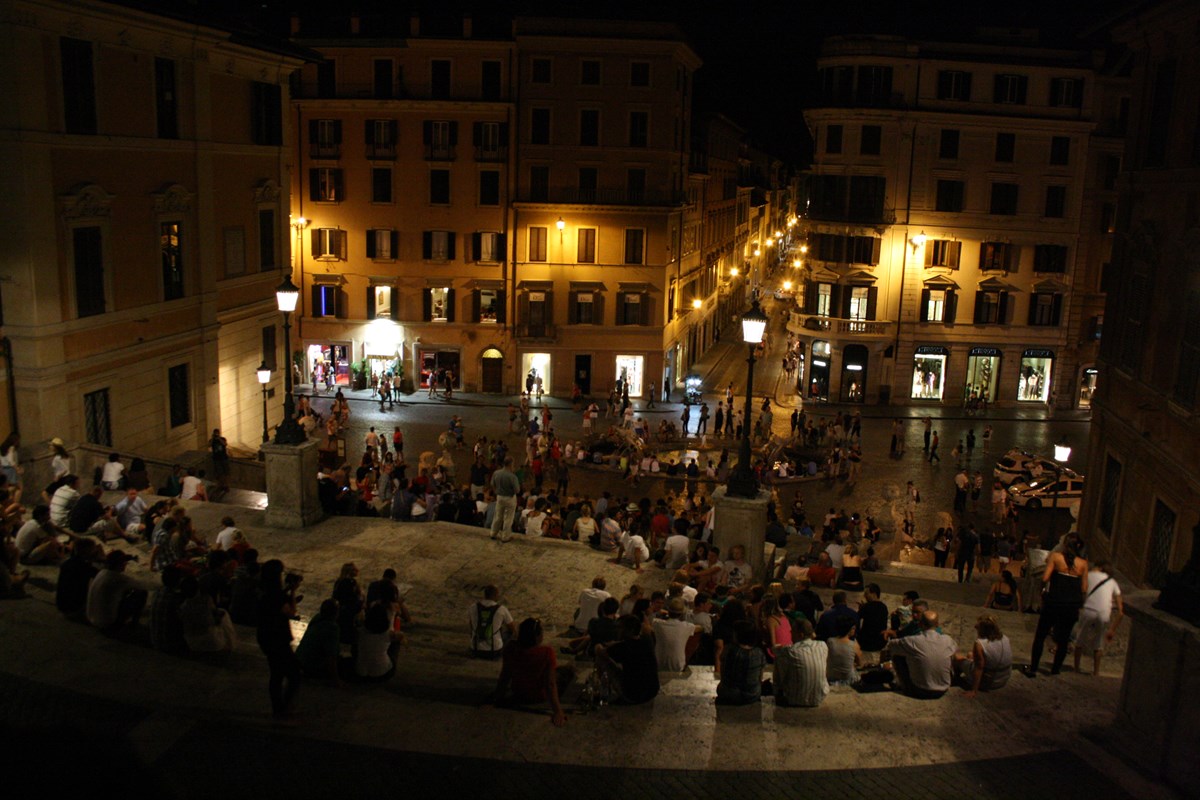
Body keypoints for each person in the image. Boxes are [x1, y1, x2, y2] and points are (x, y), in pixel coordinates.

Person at [490, 617, 574, 727]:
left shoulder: (510, 649)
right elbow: (550, 684)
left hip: (518, 693)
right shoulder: (546, 653)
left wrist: (496, 697)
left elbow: (505, 676)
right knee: (567, 672)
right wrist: (558, 711)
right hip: (538, 696)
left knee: (558, 672)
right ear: (537, 636)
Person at [1025, 533, 1088, 678]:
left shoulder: (1056, 557)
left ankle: (1034, 668)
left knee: (1041, 635)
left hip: (1054, 601)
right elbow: (1084, 588)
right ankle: (1055, 669)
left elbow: (1045, 577)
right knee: (1064, 639)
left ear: (1065, 544)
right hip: (1071, 605)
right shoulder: (1083, 564)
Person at [256, 560, 301, 719]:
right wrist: (293, 592)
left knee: (277, 673)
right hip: (277, 639)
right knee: (292, 674)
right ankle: (282, 709)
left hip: (266, 636)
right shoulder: (277, 596)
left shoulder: (264, 590)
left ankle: (280, 708)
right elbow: (292, 612)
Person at [885, 610, 957, 699]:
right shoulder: (948, 640)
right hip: (943, 689)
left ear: (920, 624)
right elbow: (954, 651)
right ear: (937, 624)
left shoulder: (913, 641)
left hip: (919, 690)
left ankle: (899, 683)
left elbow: (891, 645)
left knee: (898, 655)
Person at [1072, 560, 1123, 677]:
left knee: (1079, 640)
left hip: (1089, 610)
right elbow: (1121, 612)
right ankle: (1096, 672)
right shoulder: (1113, 582)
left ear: (1099, 567)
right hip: (1104, 613)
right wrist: (1112, 630)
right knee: (1099, 643)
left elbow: (1082, 590)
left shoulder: (1088, 576)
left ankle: (1076, 668)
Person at [594, 614, 660, 704]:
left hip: (632, 695)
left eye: (620, 628)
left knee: (601, 658)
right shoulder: (647, 641)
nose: (617, 631)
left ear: (629, 630)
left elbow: (601, 652)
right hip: (652, 691)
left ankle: (601, 692)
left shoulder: (623, 647)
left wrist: (598, 646)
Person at [85, 550, 148, 634]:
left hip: (91, 617)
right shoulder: (119, 578)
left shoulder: (101, 573)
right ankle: (133, 624)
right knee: (141, 593)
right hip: (107, 623)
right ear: (120, 564)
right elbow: (142, 586)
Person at [773, 619, 830, 707]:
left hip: (794, 698)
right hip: (819, 697)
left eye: (792, 632)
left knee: (779, 658)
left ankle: (777, 690)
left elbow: (775, 650)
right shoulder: (822, 645)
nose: (790, 634)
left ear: (800, 635)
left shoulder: (791, 651)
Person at [955, 615, 1012, 697]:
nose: (975, 627)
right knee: (970, 654)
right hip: (1003, 679)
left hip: (988, 682)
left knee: (957, 657)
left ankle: (957, 678)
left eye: (978, 626)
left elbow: (979, 668)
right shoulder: (1005, 638)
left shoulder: (980, 644)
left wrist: (974, 691)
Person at [179, 574, 237, 654]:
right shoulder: (206, 600)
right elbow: (213, 618)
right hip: (210, 641)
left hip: (191, 642)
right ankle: (231, 644)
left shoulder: (182, 605)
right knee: (224, 614)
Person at [715, 619, 766, 705]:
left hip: (728, 695)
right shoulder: (759, 653)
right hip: (752, 695)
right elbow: (759, 678)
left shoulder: (729, 650)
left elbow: (723, 673)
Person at [296, 599, 343, 682]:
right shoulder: (332, 628)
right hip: (313, 666)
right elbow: (331, 657)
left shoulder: (317, 618)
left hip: (300, 661)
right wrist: (336, 680)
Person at [652, 597, 702, 672]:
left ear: (668, 611)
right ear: (681, 614)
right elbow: (700, 628)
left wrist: (660, 611)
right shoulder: (686, 626)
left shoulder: (657, 624)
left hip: (658, 662)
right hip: (677, 664)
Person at [470, 585, 515, 659]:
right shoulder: (501, 609)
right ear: (495, 595)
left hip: (475, 650)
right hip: (494, 651)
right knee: (509, 633)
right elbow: (512, 629)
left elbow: (471, 626)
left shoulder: (473, 607)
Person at [489, 457, 520, 543]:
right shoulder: (512, 476)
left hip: (499, 496)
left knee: (498, 515)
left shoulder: (496, 473)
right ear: (511, 464)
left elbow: (492, 484)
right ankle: (505, 536)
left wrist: (496, 491)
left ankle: (493, 533)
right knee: (508, 518)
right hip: (509, 497)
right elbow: (517, 490)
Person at [826, 615, 862, 685]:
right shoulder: (854, 645)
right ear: (850, 629)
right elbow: (859, 663)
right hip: (848, 679)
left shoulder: (830, 641)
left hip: (831, 677)